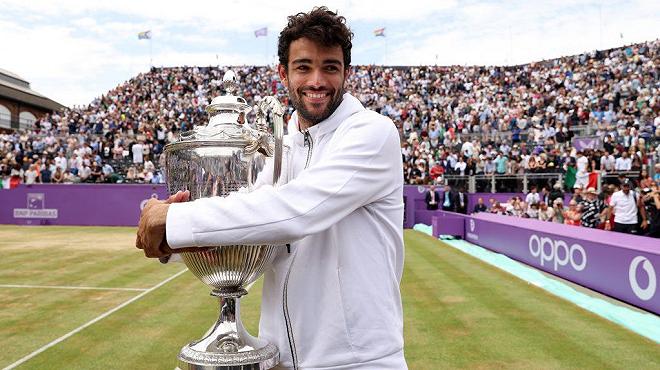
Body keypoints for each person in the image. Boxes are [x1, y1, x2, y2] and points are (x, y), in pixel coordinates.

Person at [136, 7, 406, 370]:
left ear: (346, 73)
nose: (317, 80)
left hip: (356, 362)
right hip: (277, 359)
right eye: (303, 66)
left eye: (330, 67)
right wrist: (174, 241)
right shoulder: (286, 144)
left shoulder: (372, 133)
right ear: (283, 73)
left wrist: (176, 220)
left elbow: (295, 212)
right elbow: (253, 228)